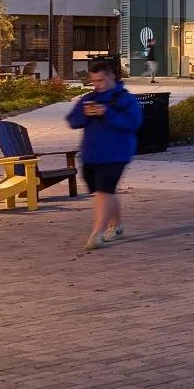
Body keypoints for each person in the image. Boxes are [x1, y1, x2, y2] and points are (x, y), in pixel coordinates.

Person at [66, 58, 143, 250]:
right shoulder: (88, 99)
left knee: (103, 191)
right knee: (106, 191)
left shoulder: (125, 99)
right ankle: (116, 225)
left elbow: (133, 123)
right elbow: (73, 121)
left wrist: (106, 113)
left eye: (100, 81)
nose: (97, 85)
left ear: (112, 77)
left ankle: (97, 233)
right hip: (92, 154)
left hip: (117, 154)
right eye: (94, 81)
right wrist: (85, 114)